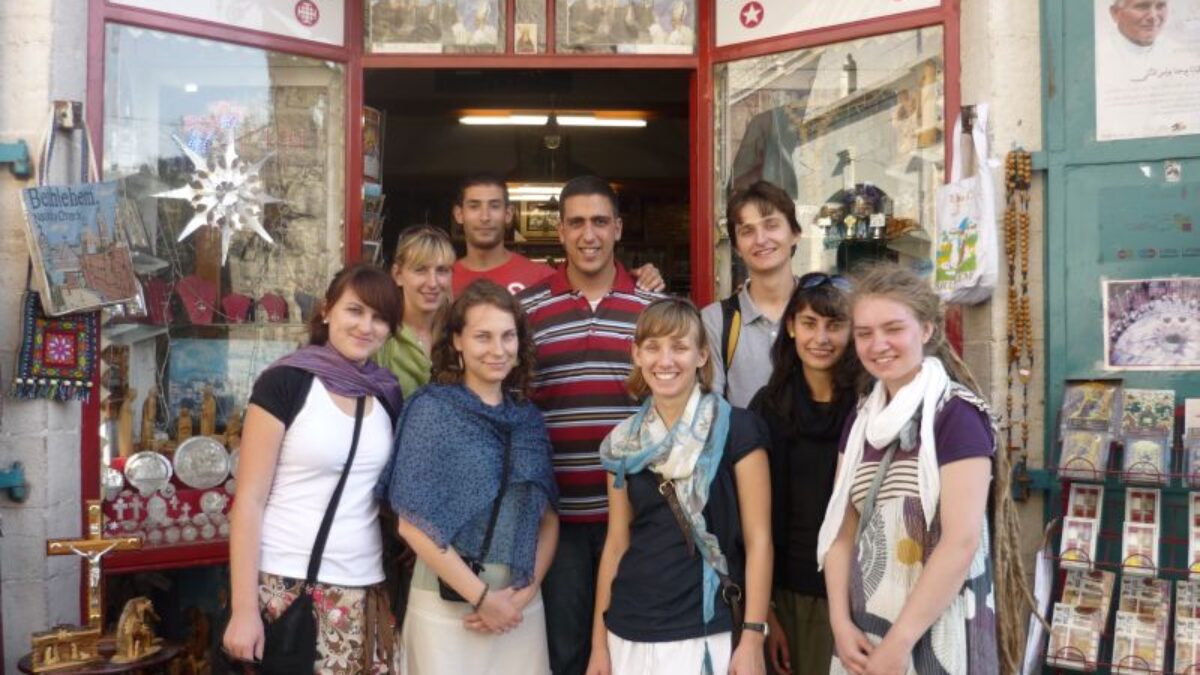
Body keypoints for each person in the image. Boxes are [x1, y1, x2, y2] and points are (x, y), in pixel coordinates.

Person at [817, 262, 999, 675]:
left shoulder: (956, 416)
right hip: (865, 626)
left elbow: (961, 542)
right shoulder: (861, 420)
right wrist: (840, 624)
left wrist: (899, 642)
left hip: (936, 627)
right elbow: (841, 533)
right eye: (864, 333)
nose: (878, 344)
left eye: (893, 328)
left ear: (927, 329)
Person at [223, 263, 404, 673]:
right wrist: (244, 609)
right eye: (355, 310)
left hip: (366, 587)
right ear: (326, 310)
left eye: (379, 318)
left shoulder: (386, 394)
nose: (366, 326)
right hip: (288, 585)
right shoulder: (286, 383)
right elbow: (249, 501)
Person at [518, 175, 663, 675]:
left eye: (600, 221)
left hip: (637, 516)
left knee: (630, 649)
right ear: (560, 231)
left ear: (618, 228)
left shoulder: (654, 311)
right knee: (564, 652)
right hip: (555, 521)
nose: (589, 234)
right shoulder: (526, 311)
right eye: (576, 222)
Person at [585, 297, 772, 675]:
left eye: (679, 347)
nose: (665, 360)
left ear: (702, 355)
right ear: (637, 354)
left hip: (705, 626)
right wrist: (598, 646)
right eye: (653, 347)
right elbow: (617, 544)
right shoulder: (622, 443)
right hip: (629, 626)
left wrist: (753, 637)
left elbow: (759, 540)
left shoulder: (738, 429)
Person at [382, 279, 559, 674]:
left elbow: (548, 520)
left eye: (508, 336)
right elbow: (412, 525)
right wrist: (482, 598)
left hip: (519, 609)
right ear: (457, 340)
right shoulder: (431, 410)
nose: (498, 349)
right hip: (447, 608)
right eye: (483, 336)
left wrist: (521, 596)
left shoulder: (528, 420)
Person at [746, 273, 863, 675]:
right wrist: (766, 612)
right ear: (792, 327)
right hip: (788, 591)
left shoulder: (870, 405)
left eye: (835, 325)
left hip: (860, 589)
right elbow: (753, 520)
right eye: (810, 323)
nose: (821, 338)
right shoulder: (768, 407)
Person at [451, 173, 665, 298]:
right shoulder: (440, 280)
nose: (485, 217)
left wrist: (637, 278)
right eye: (474, 206)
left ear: (508, 214)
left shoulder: (542, 277)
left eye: (494, 206)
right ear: (459, 214)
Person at [702, 180, 803, 408]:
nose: (761, 239)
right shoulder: (715, 321)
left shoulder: (823, 313)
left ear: (795, 233)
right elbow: (711, 410)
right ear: (737, 247)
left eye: (771, 225)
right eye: (747, 231)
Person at [376, 225, 455, 398]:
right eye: (420, 270)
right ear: (398, 275)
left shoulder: (459, 331)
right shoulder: (380, 336)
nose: (433, 283)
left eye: (442, 270)